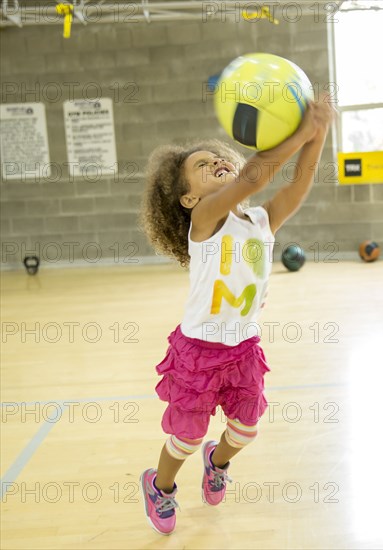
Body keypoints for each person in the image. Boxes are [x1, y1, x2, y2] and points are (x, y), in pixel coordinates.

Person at [139, 97, 335, 535]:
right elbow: (253, 176)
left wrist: (317, 135)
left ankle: (218, 461)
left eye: (218, 158)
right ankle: (160, 485)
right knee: (186, 436)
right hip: (199, 352)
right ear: (189, 197)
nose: (215, 162)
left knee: (245, 431)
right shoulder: (205, 220)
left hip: (243, 348)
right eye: (202, 165)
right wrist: (300, 132)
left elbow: (297, 185)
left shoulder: (260, 222)